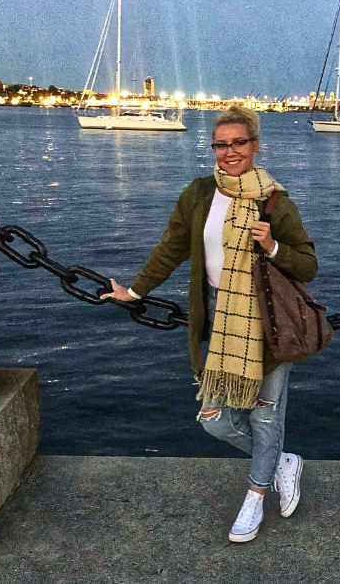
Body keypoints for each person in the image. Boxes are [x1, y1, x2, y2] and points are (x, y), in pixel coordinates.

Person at [103, 104, 317, 543]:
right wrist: (136, 291)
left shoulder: (275, 200)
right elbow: (171, 248)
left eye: (239, 142)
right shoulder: (199, 194)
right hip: (219, 318)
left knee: (264, 418)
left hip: (269, 323)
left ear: (254, 146)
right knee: (214, 420)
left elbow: (308, 265)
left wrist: (273, 246)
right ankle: (282, 463)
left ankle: (255, 498)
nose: (230, 152)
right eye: (221, 144)